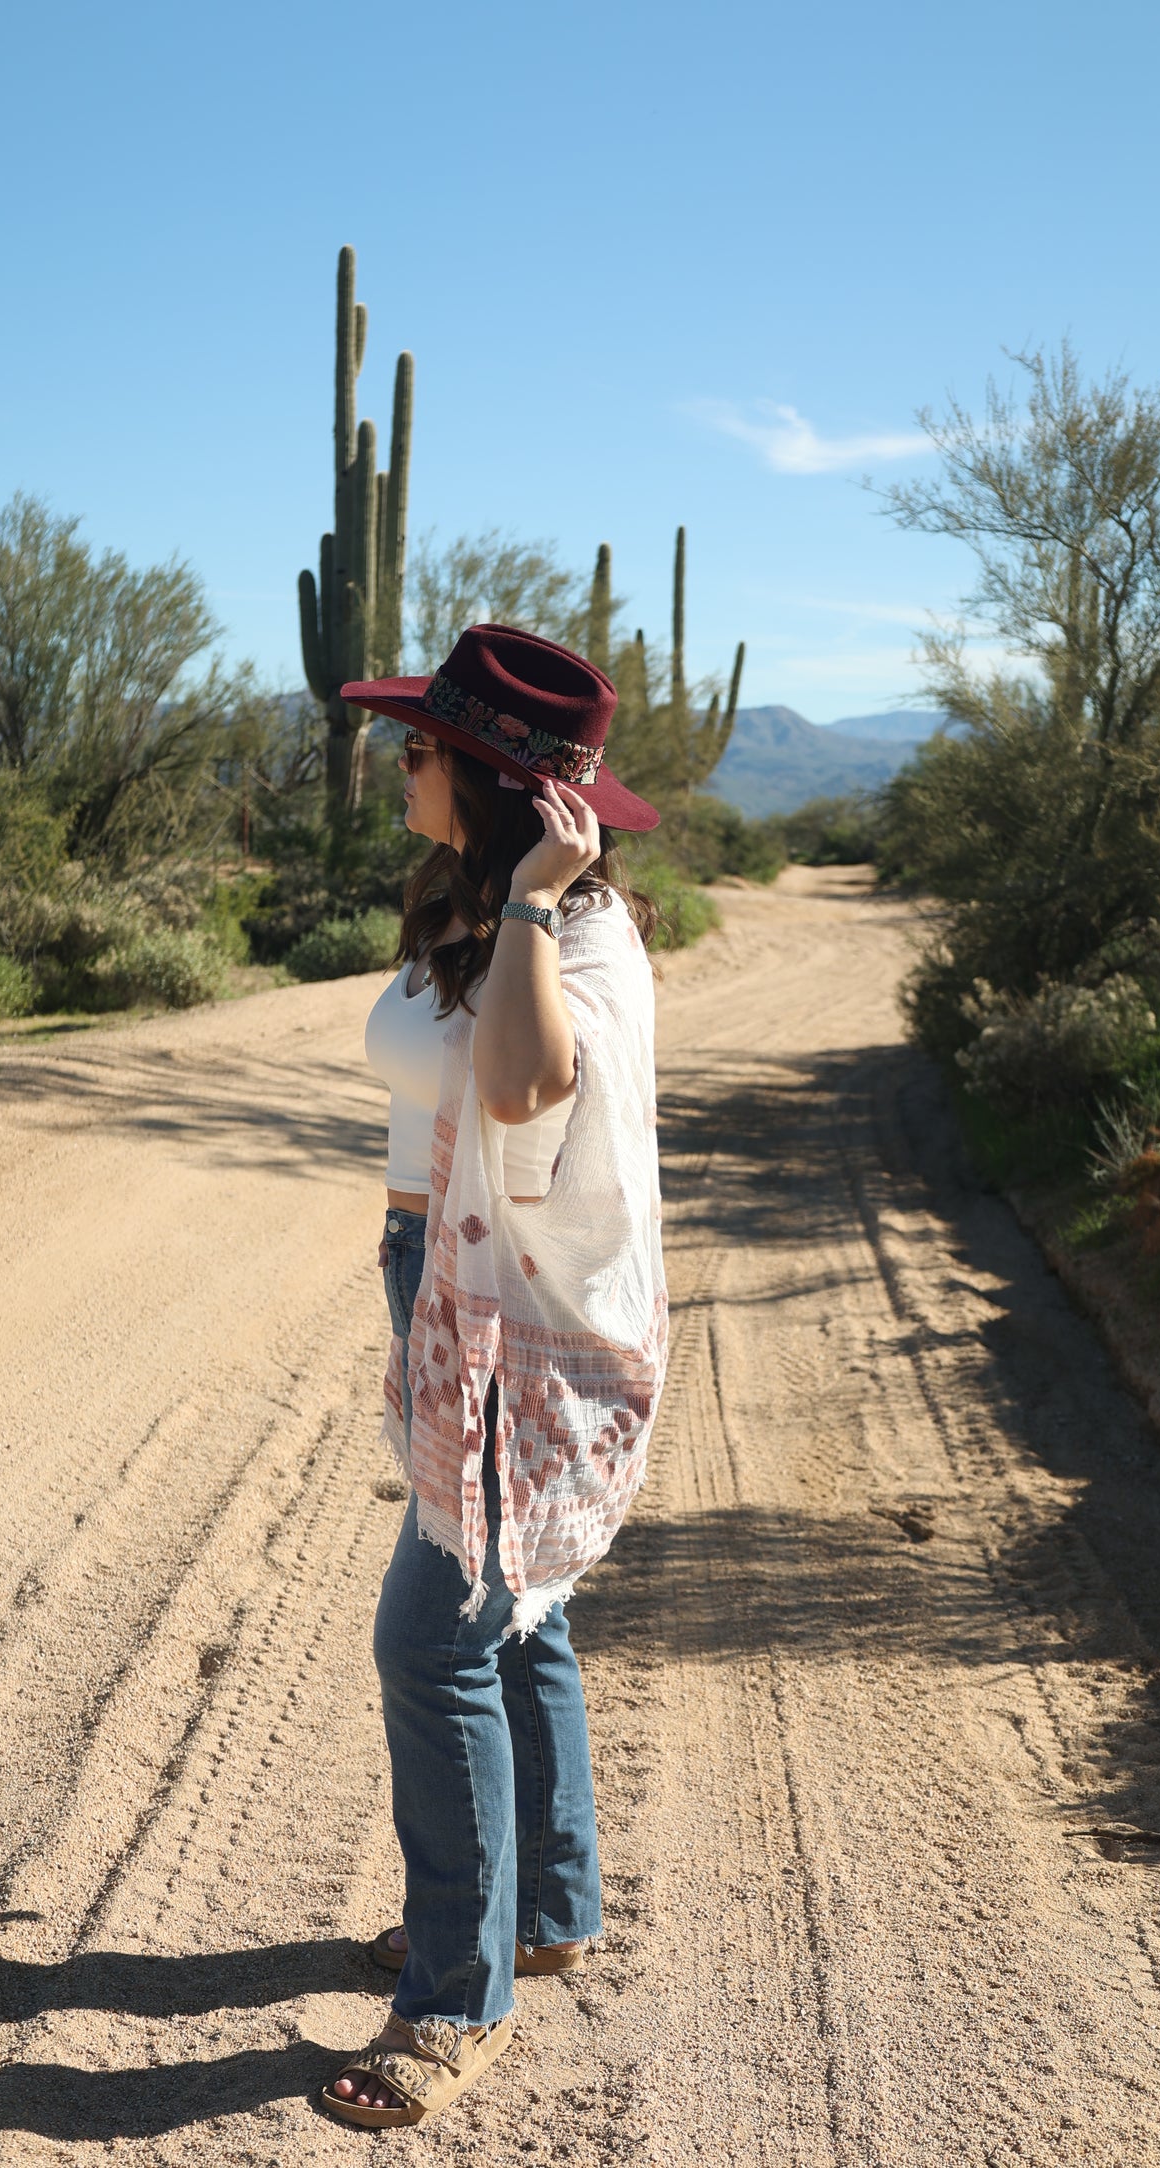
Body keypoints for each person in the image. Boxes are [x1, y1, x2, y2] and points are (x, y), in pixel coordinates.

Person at [319, 624, 669, 2130]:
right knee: (519, 1616)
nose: (399, 763)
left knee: (433, 1639)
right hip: (445, 1284)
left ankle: (456, 2000)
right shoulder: (471, 906)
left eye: (417, 746)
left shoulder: (567, 933)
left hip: (520, 1325)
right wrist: (496, 901)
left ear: (482, 777)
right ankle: (550, 1905)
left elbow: (528, 1084)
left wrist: (529, 899)